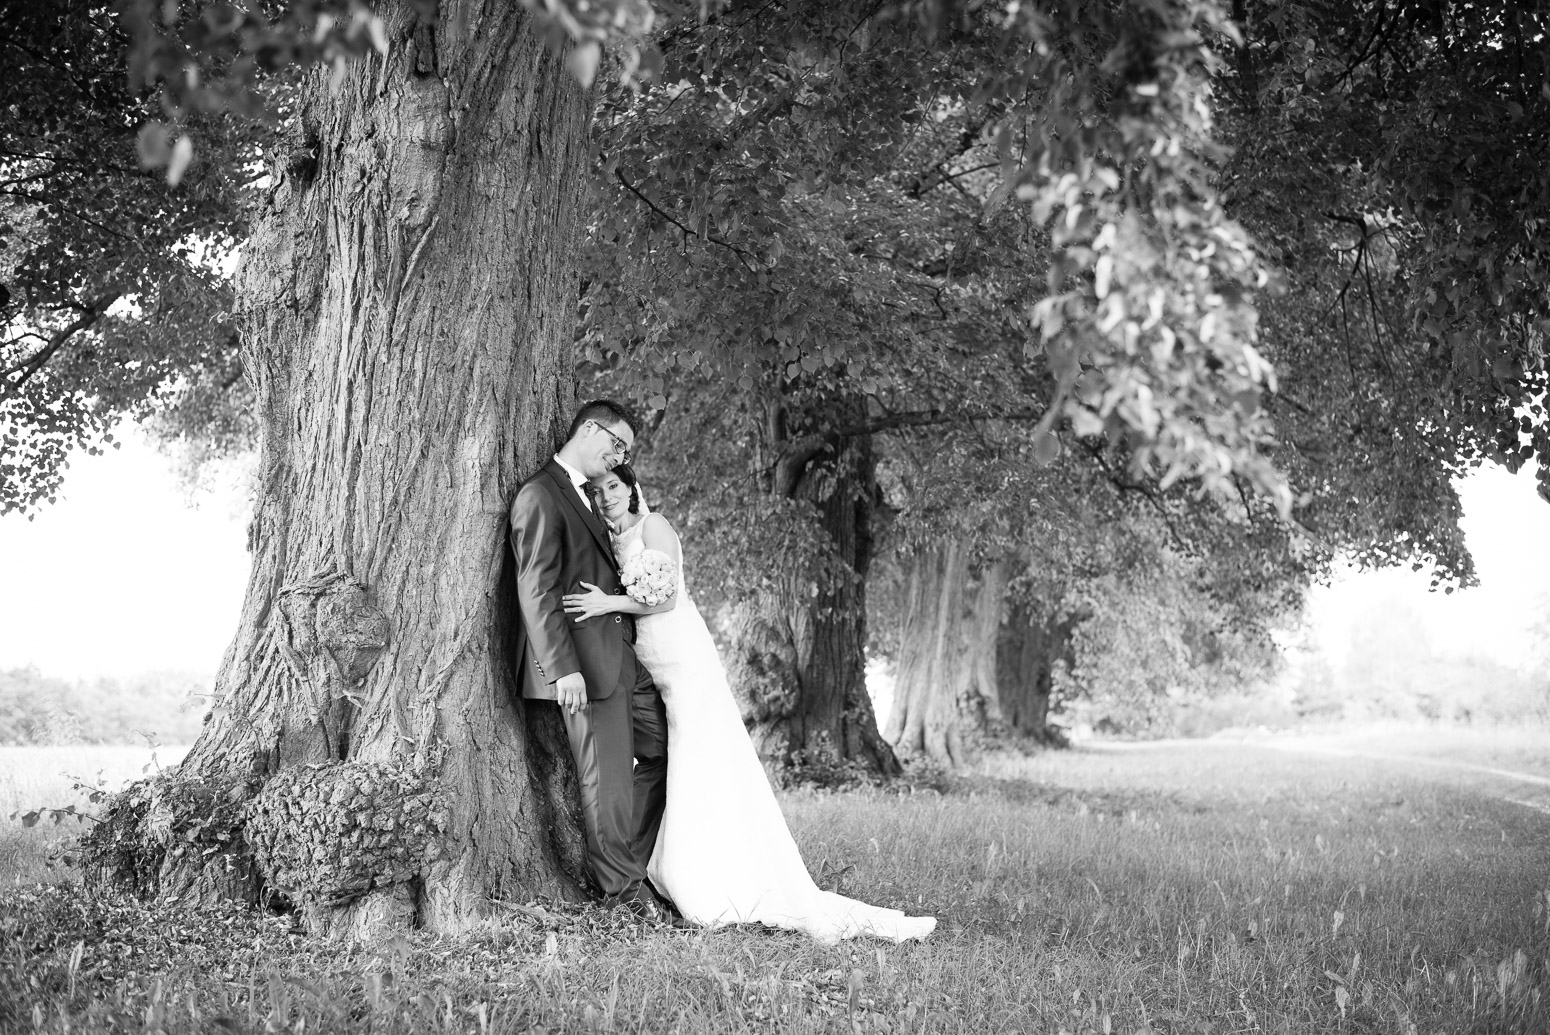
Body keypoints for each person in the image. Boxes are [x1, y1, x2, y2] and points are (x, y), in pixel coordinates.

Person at [563, 463, 937, 943]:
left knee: (697, 756)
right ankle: (673, 859)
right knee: (678, 756)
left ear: (631, 487)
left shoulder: (653, 526)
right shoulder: (612, 539)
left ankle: (705, 874)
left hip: (682, 654)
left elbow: (666, 599)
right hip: (649, 659)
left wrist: (607, 604)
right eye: (597, 491)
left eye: (613, 486)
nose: (606, 497)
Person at [508, 401, 669, 921]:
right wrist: (563, 669)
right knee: (608, 778)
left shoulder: (586, 494)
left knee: (664, 751)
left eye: (625, 452)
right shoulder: (541, 493)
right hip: (583, 665)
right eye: (617, 444)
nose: (619, 457)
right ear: (590, 429)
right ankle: (623, 893)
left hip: (622, 656)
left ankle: (632, 866)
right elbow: (536, 588)